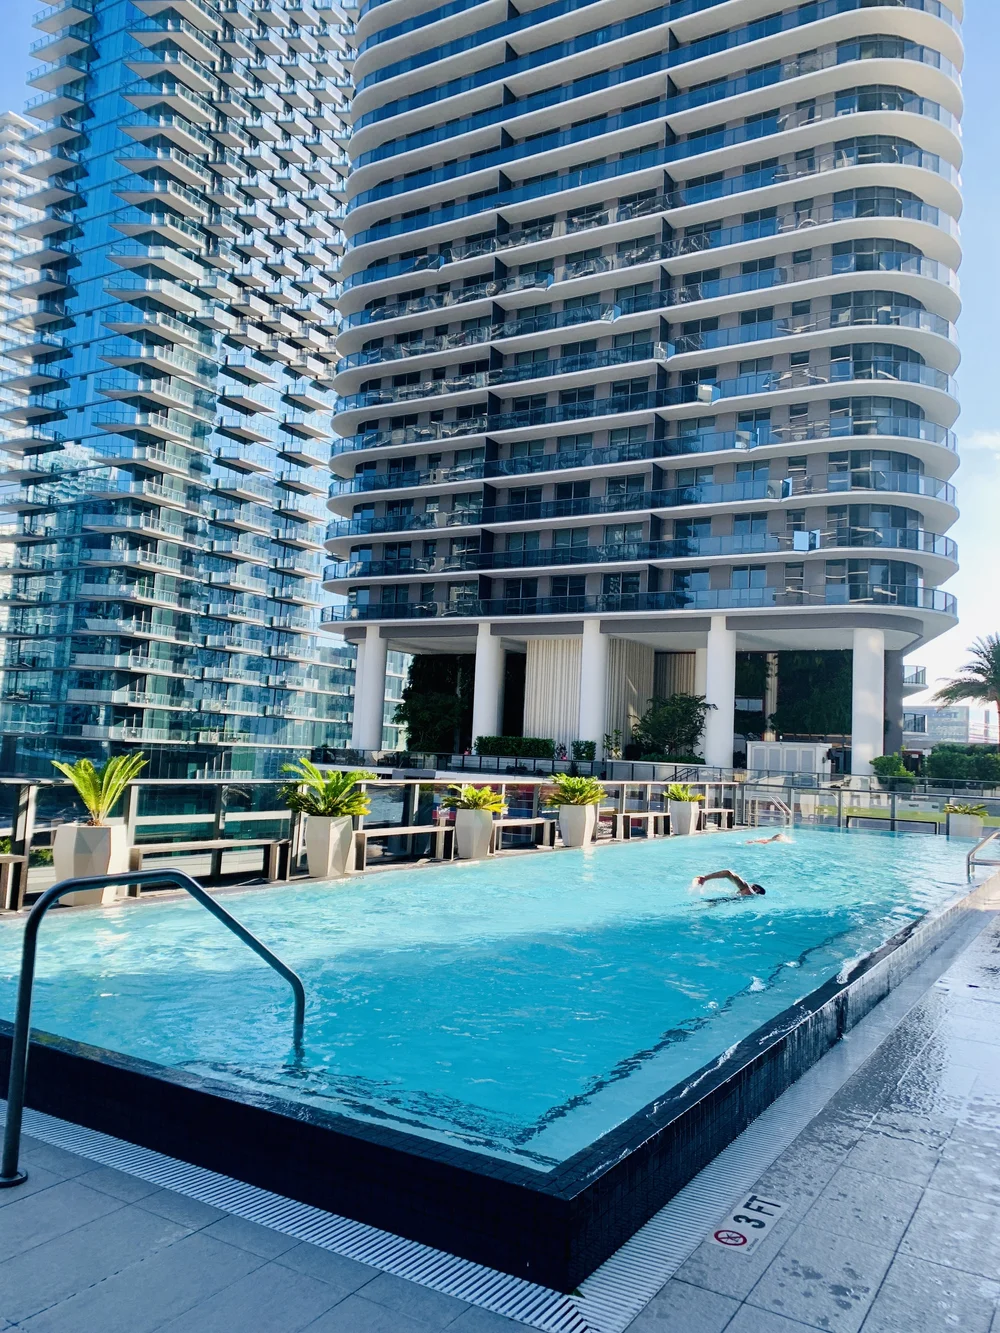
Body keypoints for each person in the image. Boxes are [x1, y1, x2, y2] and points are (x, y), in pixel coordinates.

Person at [694, 870, 766, 897]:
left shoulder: (746, 888)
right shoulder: (750, 895)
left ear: (756, 889)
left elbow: (728, 873)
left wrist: (705, 878)